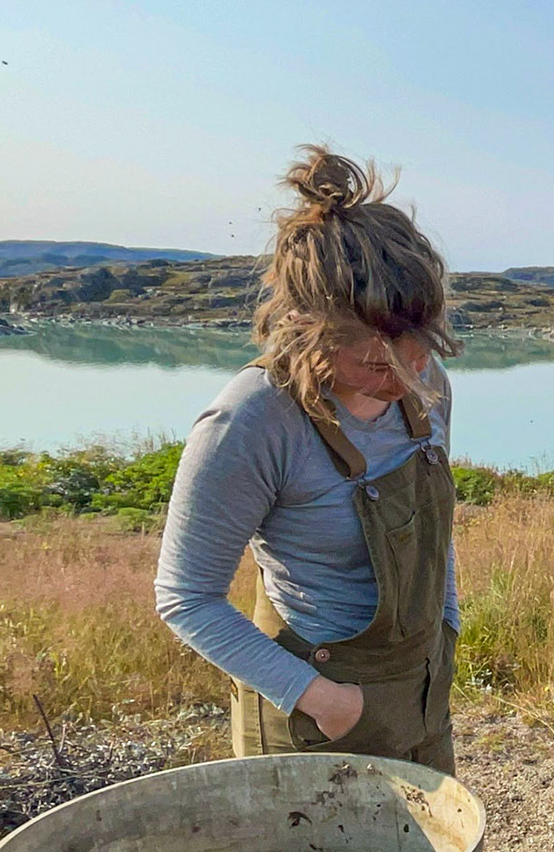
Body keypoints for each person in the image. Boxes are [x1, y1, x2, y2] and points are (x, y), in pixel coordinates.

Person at [155, 146, 463, 773]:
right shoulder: (251, 420)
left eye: (421, 348)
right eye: (377, 360)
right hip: (314, 715)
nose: (407, 371)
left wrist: (446, 625)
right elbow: (186, 598)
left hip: (422, 690)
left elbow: (435, 530)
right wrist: (322, 700)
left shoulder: (427, 391)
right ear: (306, 326)